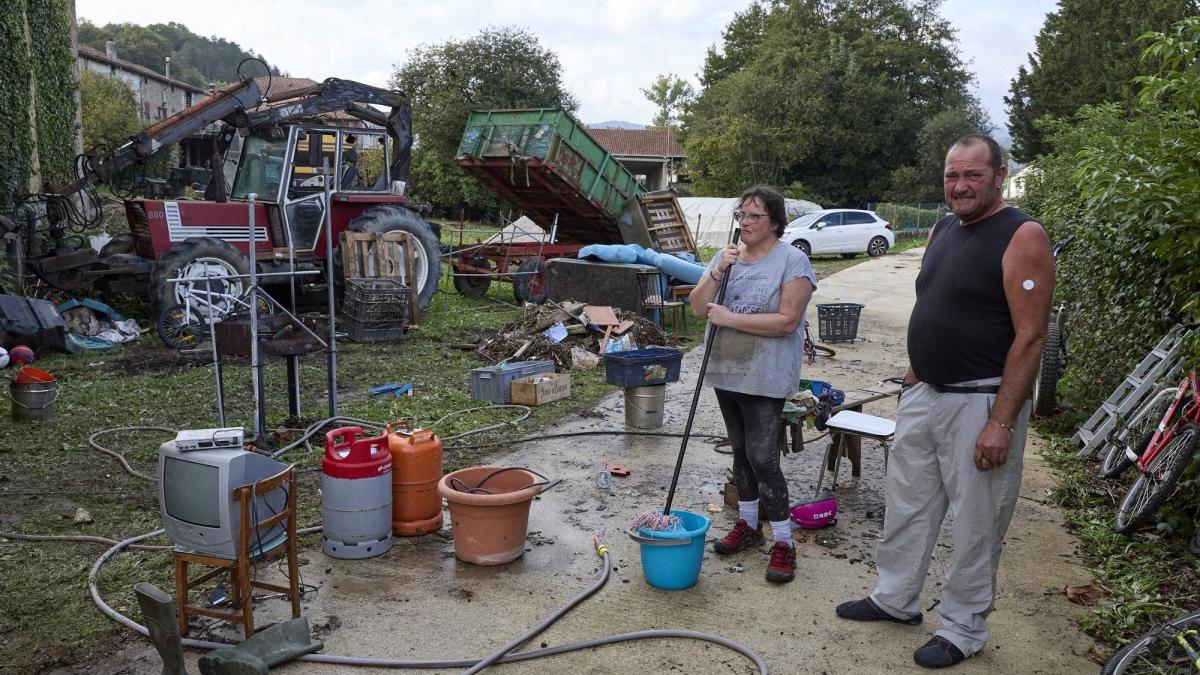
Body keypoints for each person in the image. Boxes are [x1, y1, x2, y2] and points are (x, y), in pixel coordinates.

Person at [835, 135, 1054, 668]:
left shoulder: (1022, 235)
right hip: (926, 394)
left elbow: (1030, 336)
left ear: (999, 176)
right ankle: (896, 598)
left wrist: (1002, 421)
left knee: (977, 521)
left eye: (973, 175)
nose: (960, 185)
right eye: (952, 175)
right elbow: (935, 303)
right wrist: (914, 376)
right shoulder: (943, 229)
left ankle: (963, 628)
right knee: (907, 504)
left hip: (980, 402)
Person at [690, 185, 817, 584]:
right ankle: (749, 527)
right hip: (726, 368)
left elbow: (787, 322)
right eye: (741, 216)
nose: (744, 223)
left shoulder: (792, 261)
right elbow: (698, 307)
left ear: (775, 222)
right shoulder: (726, 258)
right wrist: (716, 271)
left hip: (765, 373)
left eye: (754, 216)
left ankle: (784, 543)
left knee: (763, 457)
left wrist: (728, 317)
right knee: (741, 454)